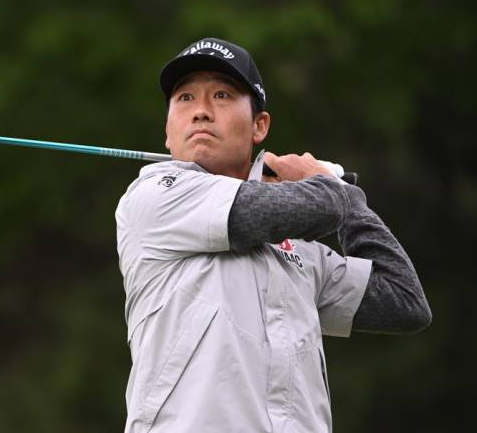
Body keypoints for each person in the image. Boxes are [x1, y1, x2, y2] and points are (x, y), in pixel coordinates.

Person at [115, 37, 431, 433]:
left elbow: (404, 301)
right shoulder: (154, 197)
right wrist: (330, 186)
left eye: (221, 94)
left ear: (259, 126)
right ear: (167, 130)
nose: (201, 112)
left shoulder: (298, 248)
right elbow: (311, 208)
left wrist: (346, 200)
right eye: (184, 99)